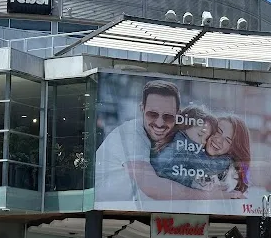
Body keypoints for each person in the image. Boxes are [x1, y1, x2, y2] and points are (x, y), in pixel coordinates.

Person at [94, 80, 242, 205]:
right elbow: (152, 187)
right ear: (141, 109)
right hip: (106, 214)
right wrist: (208, 197)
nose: (159, 123)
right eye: (152, 114)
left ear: (178, 116)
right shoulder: (131, 134)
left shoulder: (174, 139)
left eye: (168, 117)